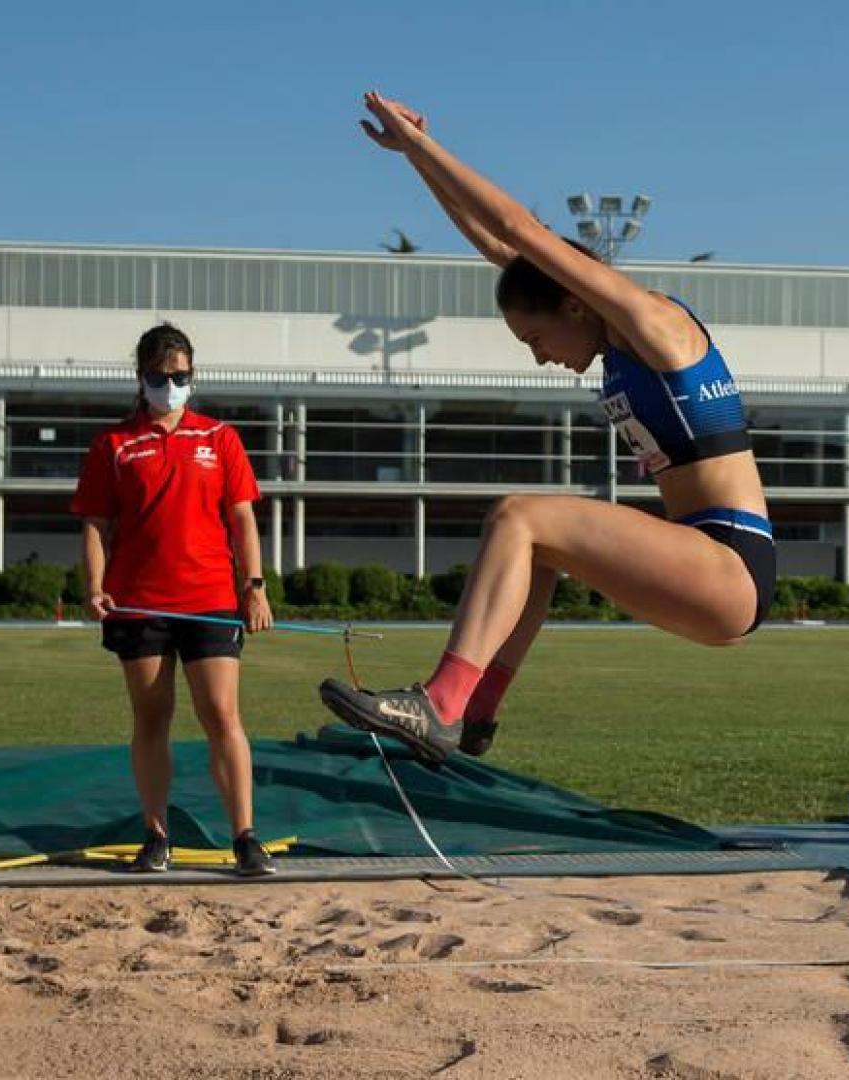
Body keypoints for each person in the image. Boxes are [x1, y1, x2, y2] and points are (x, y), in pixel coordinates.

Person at [320, 93, 776, 762]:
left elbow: (522, 228)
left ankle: (441, 705)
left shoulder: (652, 324)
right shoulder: (606, 330)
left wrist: (424, 146)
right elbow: (505, 246)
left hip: (729, 564)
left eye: (537, 337)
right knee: (532, 550)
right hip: (697, 557)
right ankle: (474, 717)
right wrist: (414, 164)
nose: (540, 357)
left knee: (520, 517)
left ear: (574, 301)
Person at [73, 324, 278, 876]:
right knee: (151, 719)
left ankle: (246, 837)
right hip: (139, 604)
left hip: (210, 599)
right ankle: (155, 834)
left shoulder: (220, 438)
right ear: (141, 379)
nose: (172, 385)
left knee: (223, 716)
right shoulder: (113, 444)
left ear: (194, 375)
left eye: (181, 375)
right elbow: (95, 523)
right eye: (161, 377)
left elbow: (242, 517)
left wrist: (254, 587)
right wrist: (94, 587)